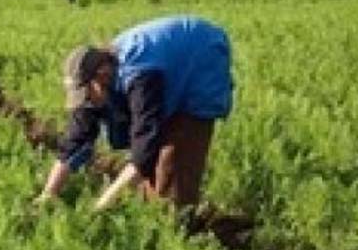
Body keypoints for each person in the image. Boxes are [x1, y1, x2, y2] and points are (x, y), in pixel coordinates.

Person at [35, 15, 233, 210]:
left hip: (201, 56)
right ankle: (151, 208)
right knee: (151, 162)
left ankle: (176, 222)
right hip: (167, 63)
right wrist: (47, 195)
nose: (86, 101)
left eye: (86, 93)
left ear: (101, 75)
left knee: (173, 166)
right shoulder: (101, 81)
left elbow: (143, 150)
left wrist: (102, 205)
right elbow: (74, 142)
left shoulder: (139, 77)